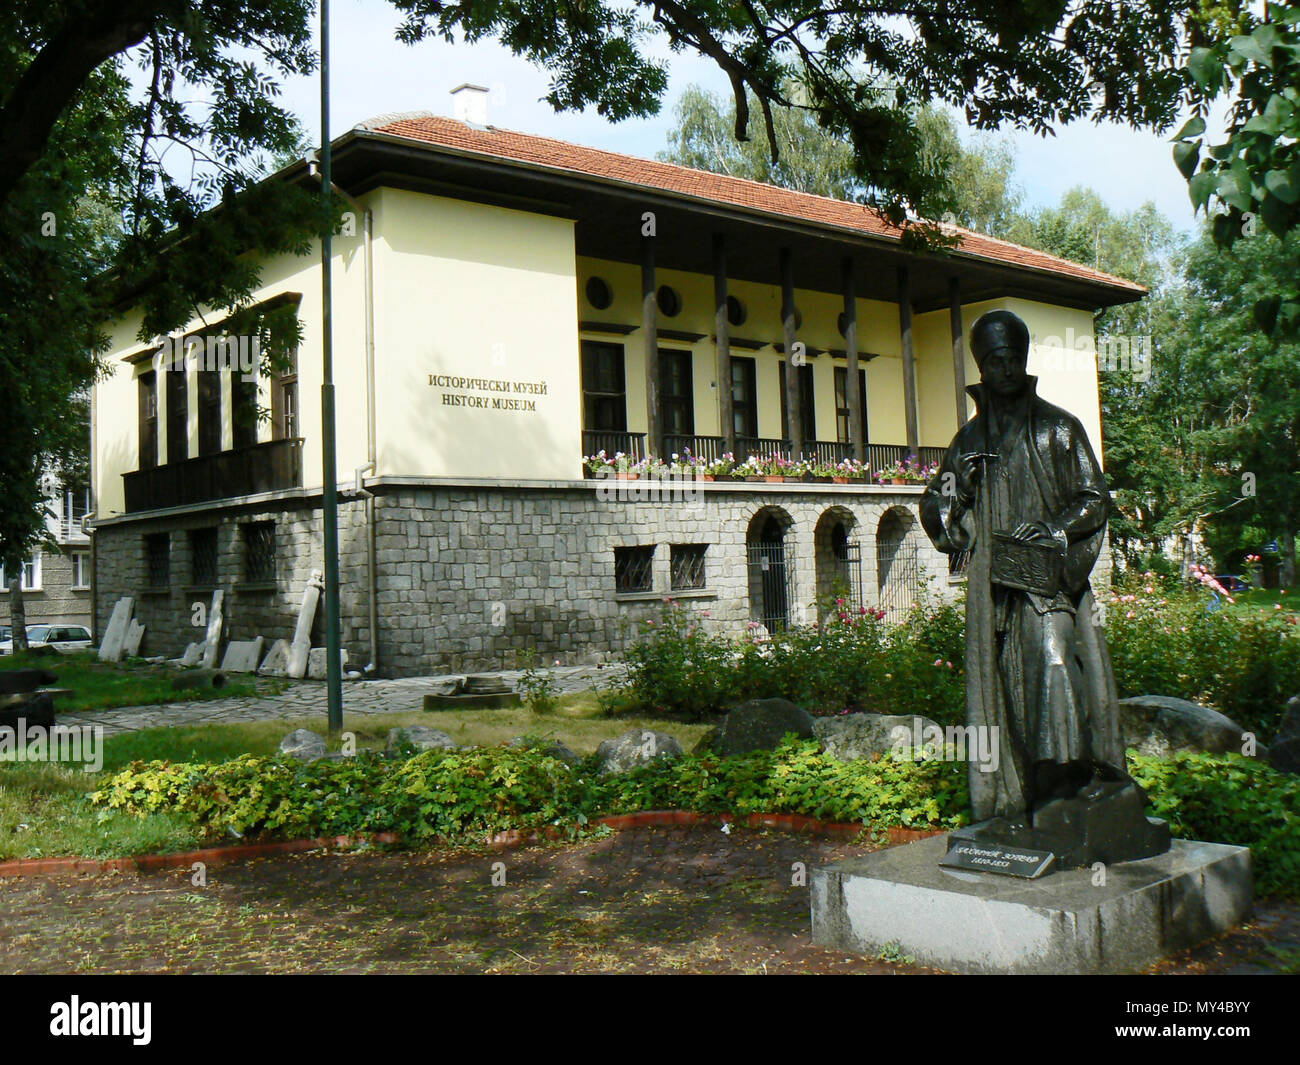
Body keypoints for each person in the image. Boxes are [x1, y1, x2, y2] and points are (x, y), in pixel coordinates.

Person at [920, 309, 1131, 829]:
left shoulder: (1060, 428)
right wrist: (961, 489)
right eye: (995, 360)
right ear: (982, 367)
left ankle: (1072, 780)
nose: (1006, 368)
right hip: (997, 593)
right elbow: (936, 506)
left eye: (1013, 358)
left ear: (1025, 359)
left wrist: (1057, 528)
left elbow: (1094, 498)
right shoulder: (968, 442)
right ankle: (1023, 794)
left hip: (1046, 584)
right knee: (1005, 692)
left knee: (1055, 662)